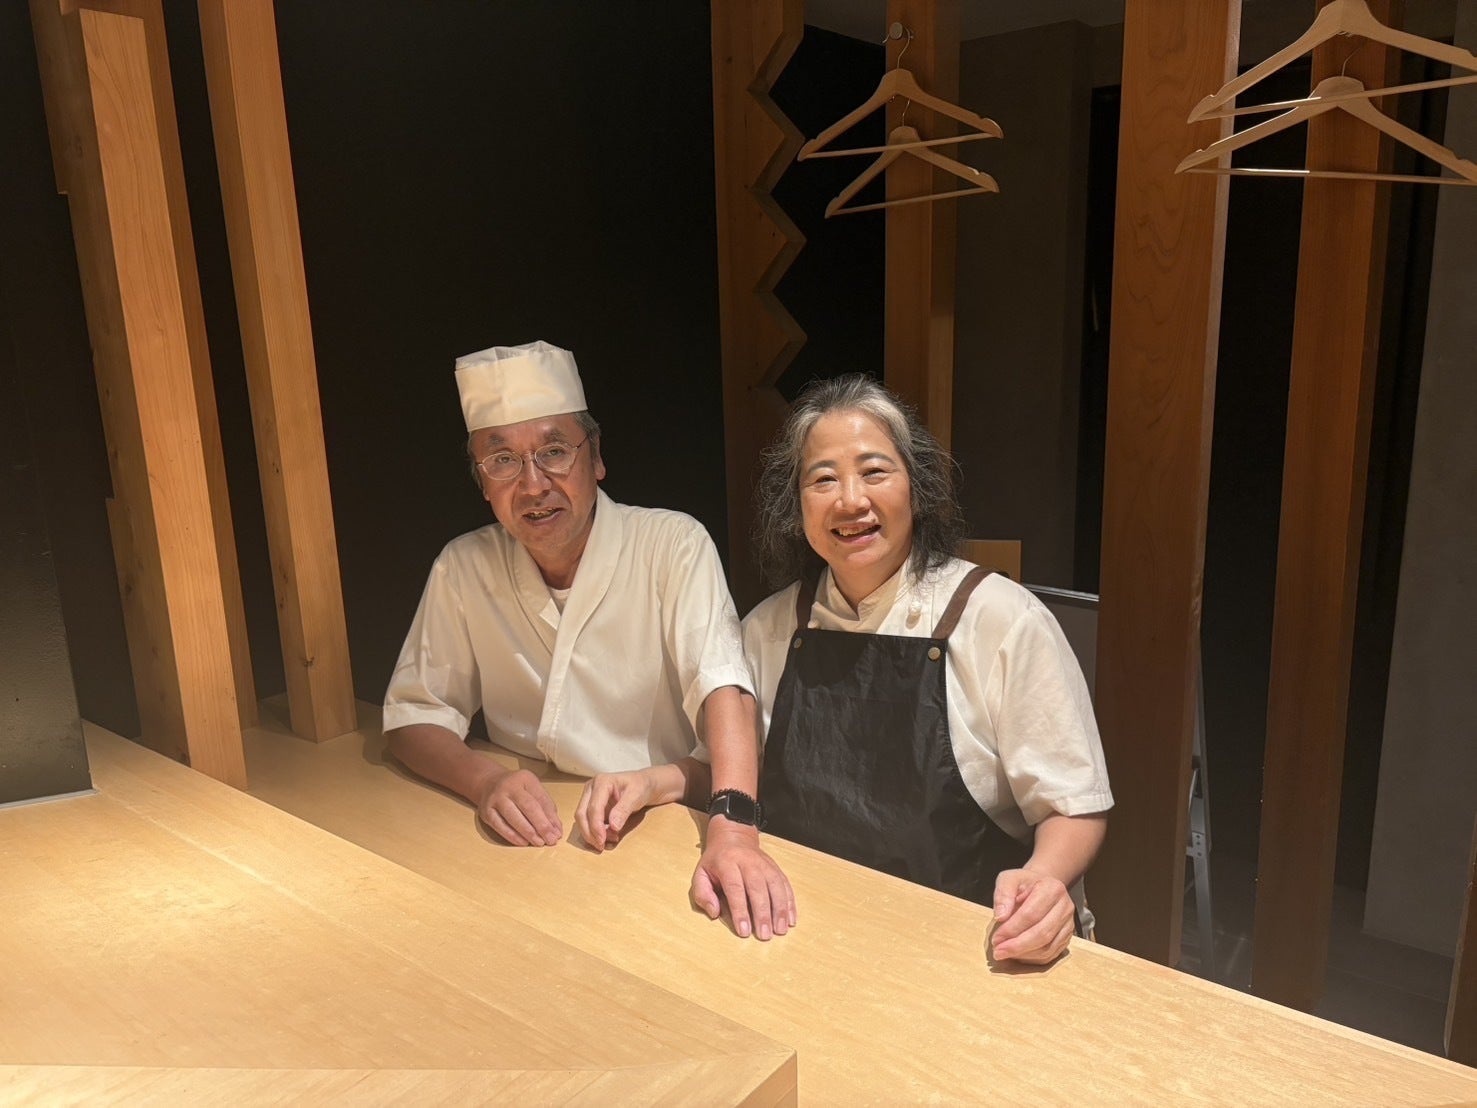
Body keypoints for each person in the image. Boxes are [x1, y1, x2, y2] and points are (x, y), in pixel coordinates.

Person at [384, 340, 794, 940]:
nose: (532, 484)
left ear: (596, 457)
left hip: (657, 827)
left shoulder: (672, 544)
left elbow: (724, 690)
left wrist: (733, 831)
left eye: (554, 452)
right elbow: (412, 717)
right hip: (533, 846)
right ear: (482, 481)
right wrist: (485, 781)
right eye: (502, 460)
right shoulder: (463, 566)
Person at [742, 374, 1110, 964]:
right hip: (806, 938)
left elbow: (1072, 805)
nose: (850, 500)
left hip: (969, 949)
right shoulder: (767, 629)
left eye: (874, 471)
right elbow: (726, 771)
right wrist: (652, 780)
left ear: (916, 487)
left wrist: (1044, 880)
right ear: (797, 506)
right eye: (823, 479)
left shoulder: (1001, 619)